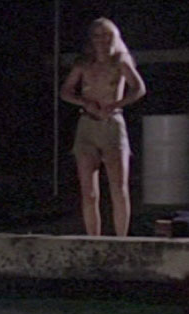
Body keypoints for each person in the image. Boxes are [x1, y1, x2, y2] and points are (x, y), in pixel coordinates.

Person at [60, 17, 146, 237]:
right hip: (87, 124)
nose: (102, 40)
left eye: (107, 35)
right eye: (97, 36)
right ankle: (93, 240)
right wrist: (84, 102)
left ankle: (121, 240)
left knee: (118, 188)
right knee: (89, 191)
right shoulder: (83, 63)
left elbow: (138, 88)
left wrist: (116, 104)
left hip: (112, 123)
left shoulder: (120, 61)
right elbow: (65, 91)